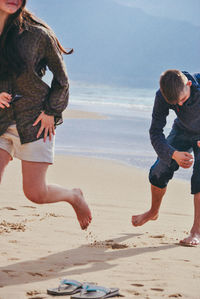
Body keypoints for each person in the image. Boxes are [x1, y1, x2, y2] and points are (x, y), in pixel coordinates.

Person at [0, 0, 92, 230]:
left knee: (35, 193)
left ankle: (74, 196)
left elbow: (62, 80)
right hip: (1, 120)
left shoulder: (38, 35)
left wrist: (52, 112)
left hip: (35, 120)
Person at [132, 69, 200, 246]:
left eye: (183, 100)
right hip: (182, 130)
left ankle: (196, 232)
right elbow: (155, 132)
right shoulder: (162, 95)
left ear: (189, 85)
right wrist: (172, 154)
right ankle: (153, 212)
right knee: (159, 171)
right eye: (175, 104)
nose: (179, 105)